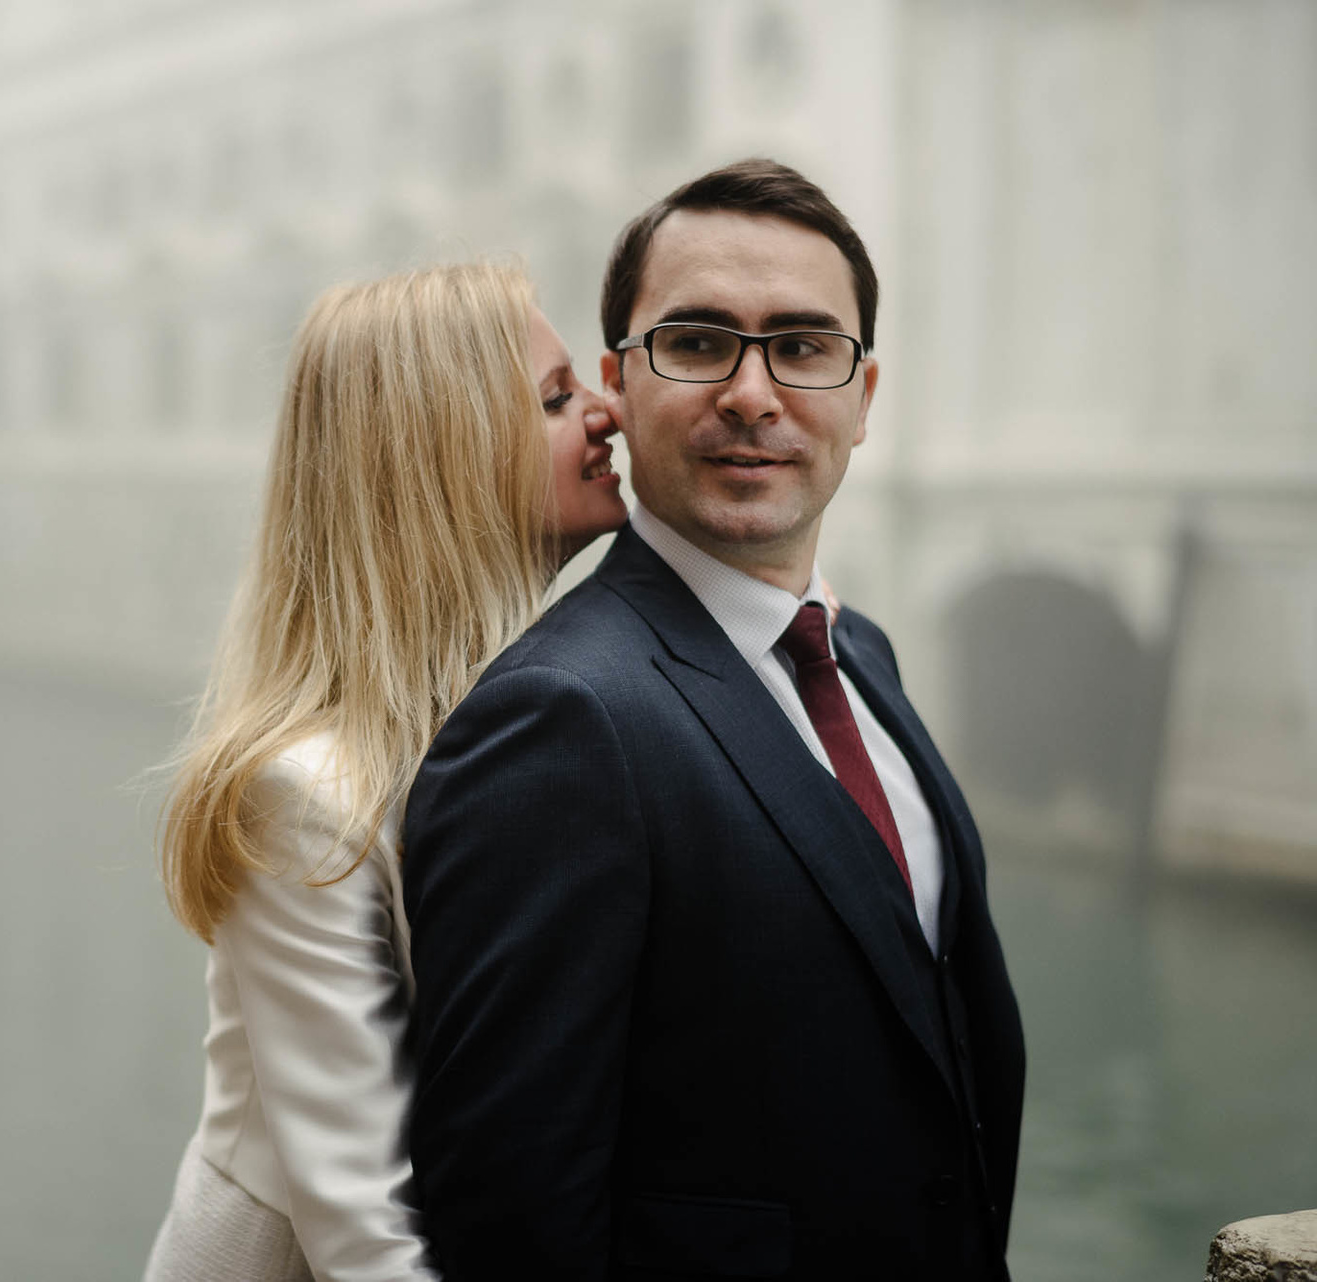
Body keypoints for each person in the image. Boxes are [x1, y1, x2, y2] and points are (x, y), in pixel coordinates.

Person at [402, 159, 1027, 1281]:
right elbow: (511, 1213)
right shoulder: (559, 717)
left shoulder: (862, 653)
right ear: (619, 384)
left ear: (864, 397)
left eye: (803, 346)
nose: (751, 393)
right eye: (696, 343)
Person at [145, 261, 630, 1281]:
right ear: (447, 454)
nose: (609, 413)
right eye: (556, 399)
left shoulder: (520, 714)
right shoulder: (303, 795)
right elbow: (361, 1232)